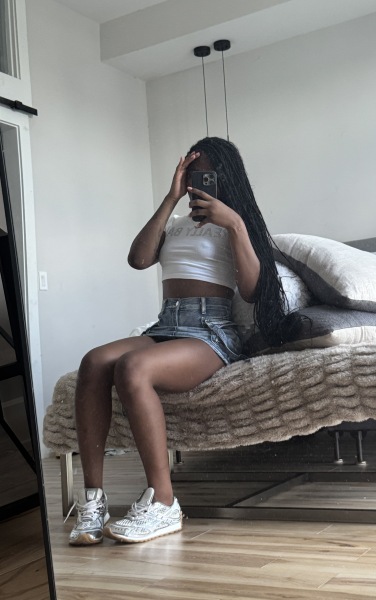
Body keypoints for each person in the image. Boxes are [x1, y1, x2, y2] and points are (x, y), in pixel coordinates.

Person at [68, 137, 304, 546]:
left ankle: (163, 502)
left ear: (226, 178)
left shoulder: (237, 224)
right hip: (166, 324)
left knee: (133, 368)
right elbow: (138, 259)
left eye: (208, 175)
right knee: (94, 362)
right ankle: (93, 501)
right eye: (193, 174)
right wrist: (170, 197)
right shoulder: (175, 222)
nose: (199, 182)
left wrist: (234, 224)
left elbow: (251, 290)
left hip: (209, 331)